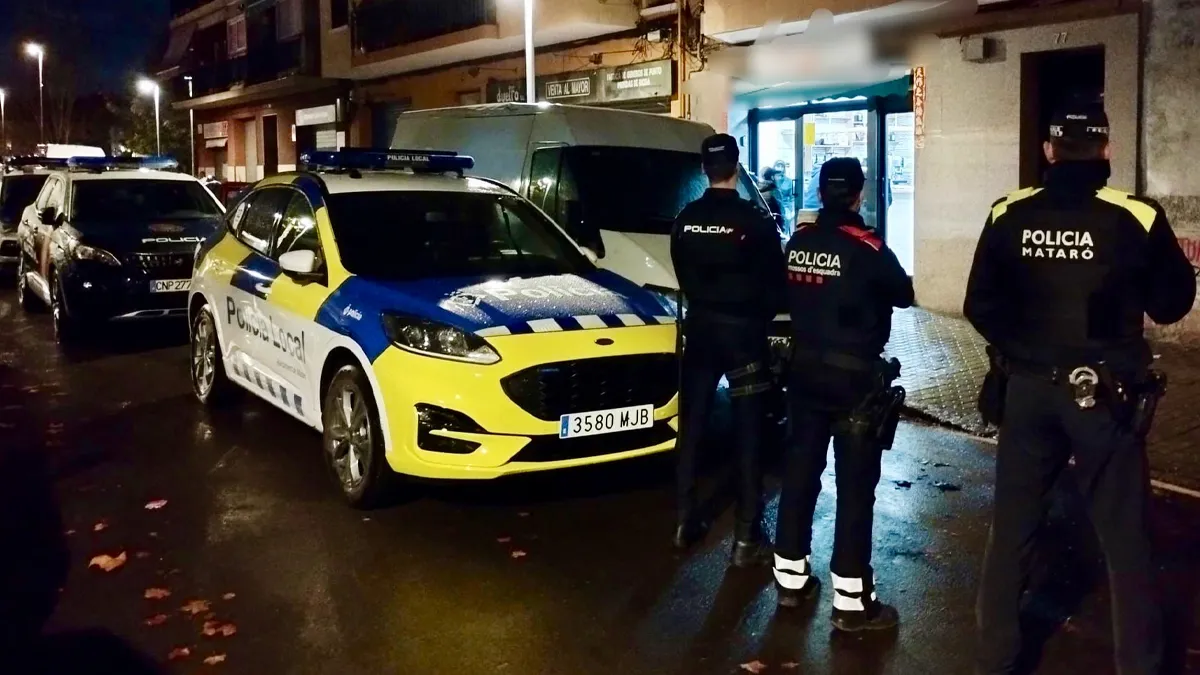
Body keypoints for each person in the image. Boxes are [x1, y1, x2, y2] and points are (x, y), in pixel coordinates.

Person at [966, 107, 1196, 675]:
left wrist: (1027, 349)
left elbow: (979, 307)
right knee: (1124, 539)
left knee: (1012, 529)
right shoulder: (1136, 216)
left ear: (1049, 150)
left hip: (1025, 389)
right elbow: (1170, 305)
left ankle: (995, 661)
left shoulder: (1008, 211)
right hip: (1106, 397)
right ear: (1106, 150)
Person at [772, 157, 913, 632]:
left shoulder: (800, 242)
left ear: (819, 191)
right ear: (858, 194)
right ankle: (851, 602)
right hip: (854, 384)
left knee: (799, 474)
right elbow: (904, 293)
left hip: (803, 375)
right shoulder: (868, 246)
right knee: (855, 489)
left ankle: (790, 580)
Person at [670, 133, 787, 566]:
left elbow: (682, 274)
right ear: (736, 166)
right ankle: (745, 537)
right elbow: (776, 286)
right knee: (749, 430)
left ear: (704, 168)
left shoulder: (685, 218)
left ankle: (685, 520)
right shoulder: (754, 219)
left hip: (701, 329)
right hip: (744, 334)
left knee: (693, 426)